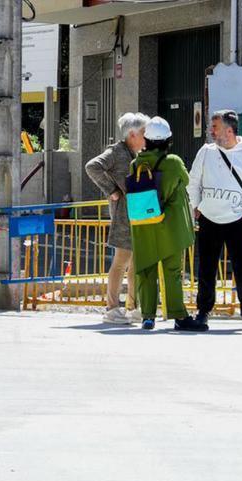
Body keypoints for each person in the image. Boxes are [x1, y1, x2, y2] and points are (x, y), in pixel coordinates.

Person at [188, 110, 242, 329]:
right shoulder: (205, 152)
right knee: (206, 269)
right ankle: (203, 312)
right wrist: (195, 207)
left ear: (229, 130)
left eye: (214, 127)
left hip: (236, 220)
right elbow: (193, 181)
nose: (210, 131)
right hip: (208, 219)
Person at [129, 117, 205, 331]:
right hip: (169, 227)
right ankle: (178, 315)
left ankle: (148, 316)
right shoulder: (173, 162)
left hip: (144, 225)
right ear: (167, 140)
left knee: (146, 271)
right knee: (172, 272)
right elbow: (187, 181)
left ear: (147, 139)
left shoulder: (136, 163)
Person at [85, 112, 149, 324]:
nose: (146, 137)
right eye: (143, 133)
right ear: (132, 134)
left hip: (136, 212)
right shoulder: (116, 152)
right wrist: (111, 189)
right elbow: (92, 166)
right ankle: (112, 308)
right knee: (122, 262)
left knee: (135, 263)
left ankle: (132, 306)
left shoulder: (136, 152)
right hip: (123, 214)